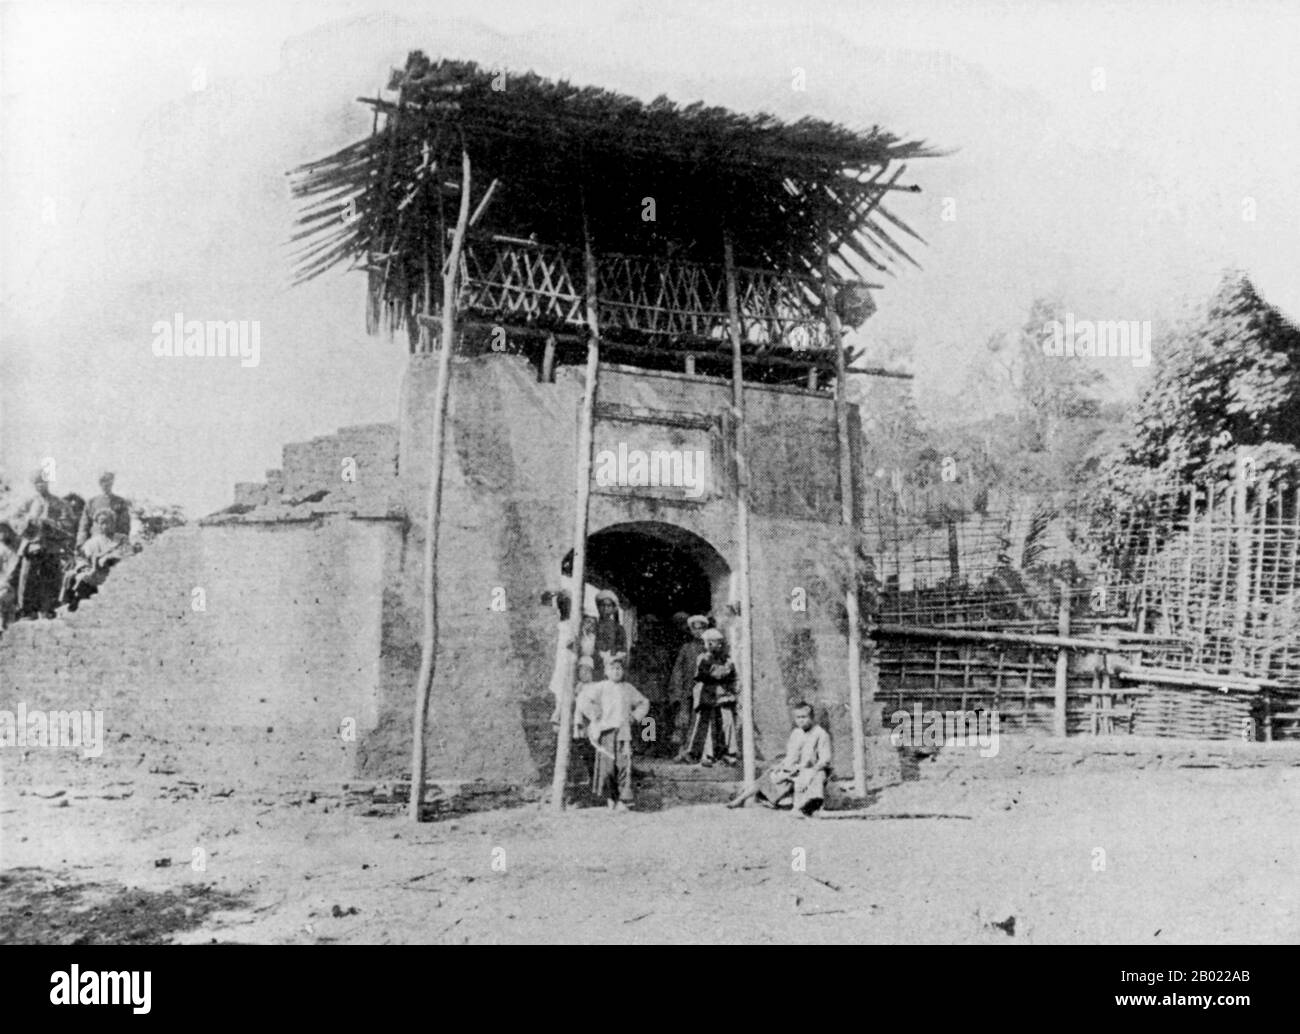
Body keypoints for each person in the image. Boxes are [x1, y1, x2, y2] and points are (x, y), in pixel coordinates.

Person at [726, 702, 832, 816]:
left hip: (813, 769)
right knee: (768, 775)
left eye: (804, 717)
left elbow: (825, 759)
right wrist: (782, 765)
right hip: (794, 769)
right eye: (798, 717)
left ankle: (798, 808)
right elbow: (791, 756)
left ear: (811, 717)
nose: (801, 720)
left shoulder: (821, 734)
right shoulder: (796, 733)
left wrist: (811, 769)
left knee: (805, 780)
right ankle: (741, 799)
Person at [575, 654, 649, 812]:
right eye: (612, 668)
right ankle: (610, 797)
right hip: (606, 733)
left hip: (623, 732)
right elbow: (582, 699)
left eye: (619, 668)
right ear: (606, 671)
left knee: (623, 764)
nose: (616, 671)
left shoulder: (628, 688)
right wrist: (594, 713)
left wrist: (635, 716)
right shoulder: (601, 687)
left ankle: (624, 799)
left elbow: (644, 702)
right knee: (607, 767)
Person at [12, 469, 72, 619]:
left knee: (51, 578)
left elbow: (68, 524)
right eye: (36, 483)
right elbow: (15, 520)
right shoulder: (29, 502)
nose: (40, 485)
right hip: (31, 546)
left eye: (42, 482)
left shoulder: (60, 503)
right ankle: (27, 610)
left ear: (48, 482)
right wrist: (28, 522)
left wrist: (51, 524)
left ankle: (48, 609)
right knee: (27, 579)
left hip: (51, 547)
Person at [683, 628, 739, 767]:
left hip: (722, 695)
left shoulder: (725, 659)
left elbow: (730, 674)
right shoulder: (703, 658)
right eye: (709, 643)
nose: (711, 646)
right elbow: (704, 674)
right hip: (707, 695)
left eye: (714, 643)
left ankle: (729, 752)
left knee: (727, 721)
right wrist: (721, 672)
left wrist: (724, 671)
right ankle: (706, 754)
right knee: (707, 725)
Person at [61, 510, 130, 611]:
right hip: (95, 571)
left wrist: (108, 558)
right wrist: (84, 567)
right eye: (102, 523)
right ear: (97, 525)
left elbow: (126, 554)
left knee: (85, 579)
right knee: (74, 575)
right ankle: (72, 603)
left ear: (113, 522)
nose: (105, 526)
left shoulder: (121, 539)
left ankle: (77, 601)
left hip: (114, 573)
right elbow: (82, 558)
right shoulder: (92, 542)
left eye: (108, 522)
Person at [670, 614, 711, 760]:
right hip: (687, 689)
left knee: (700, 720)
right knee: (683, 720)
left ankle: (696, 752)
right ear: (691, 631)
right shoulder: (686, 648)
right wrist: (676, 691)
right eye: (695, 629)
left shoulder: (709, 648)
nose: (698, 632)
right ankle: (682, 751)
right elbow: (678, 670)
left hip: (703, 690)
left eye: (701, 628)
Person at [77, 472, 132, 548]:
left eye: (108, 481)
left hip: (115, 543)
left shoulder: (120, 502)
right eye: (102, 481)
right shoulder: (91, 502)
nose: (105, 484)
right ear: (99, 483)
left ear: (112, 482)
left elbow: (125, 525)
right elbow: (84, 526)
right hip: (95, 544)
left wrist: (122, 542)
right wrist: (81, 543)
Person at [592, 590, 626, 680]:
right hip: (593, 665)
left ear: (613, 608)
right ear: (598, 607)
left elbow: (622, 649)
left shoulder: (618, 628)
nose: (605, 608)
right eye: (602, 605)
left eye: (609, 605)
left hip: (610, 666)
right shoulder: (593, 624)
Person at [0, 521, 20, 630]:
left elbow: (14, 569)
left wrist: (6, 582)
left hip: (11, 583)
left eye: (3, 530)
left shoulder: (16, 547)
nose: (1, 533)